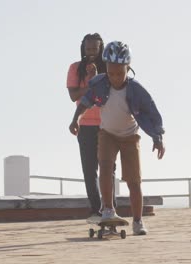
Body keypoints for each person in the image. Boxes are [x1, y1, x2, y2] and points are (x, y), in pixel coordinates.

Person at [69, 41, 165, 235]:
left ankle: (138, 221)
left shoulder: (136, 89)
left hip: (130, 137)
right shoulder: (99, 84)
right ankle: (108, 210)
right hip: (107, 134)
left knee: (134, 181)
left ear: (128, 68)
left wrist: (158, 137)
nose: (115, 78)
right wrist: (76, 120)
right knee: (104, 168)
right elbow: (84, 103)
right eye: (111, 73)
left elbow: (152, 112)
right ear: (106, 69)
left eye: (120, 73)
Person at [66, 33, 117, 220]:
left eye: (95, 49)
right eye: (88, 49)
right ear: (83, 48)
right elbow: (74, 95)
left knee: (109, 168)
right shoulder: (74, 68)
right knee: (89, 170)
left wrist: (97, 77)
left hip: (107, 124)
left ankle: (111, 208)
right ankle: (95, 209)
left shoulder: (110, 69)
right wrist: (90, 80)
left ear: (101, 49)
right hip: (85, 124)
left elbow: (111, 92)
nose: (91, 53)